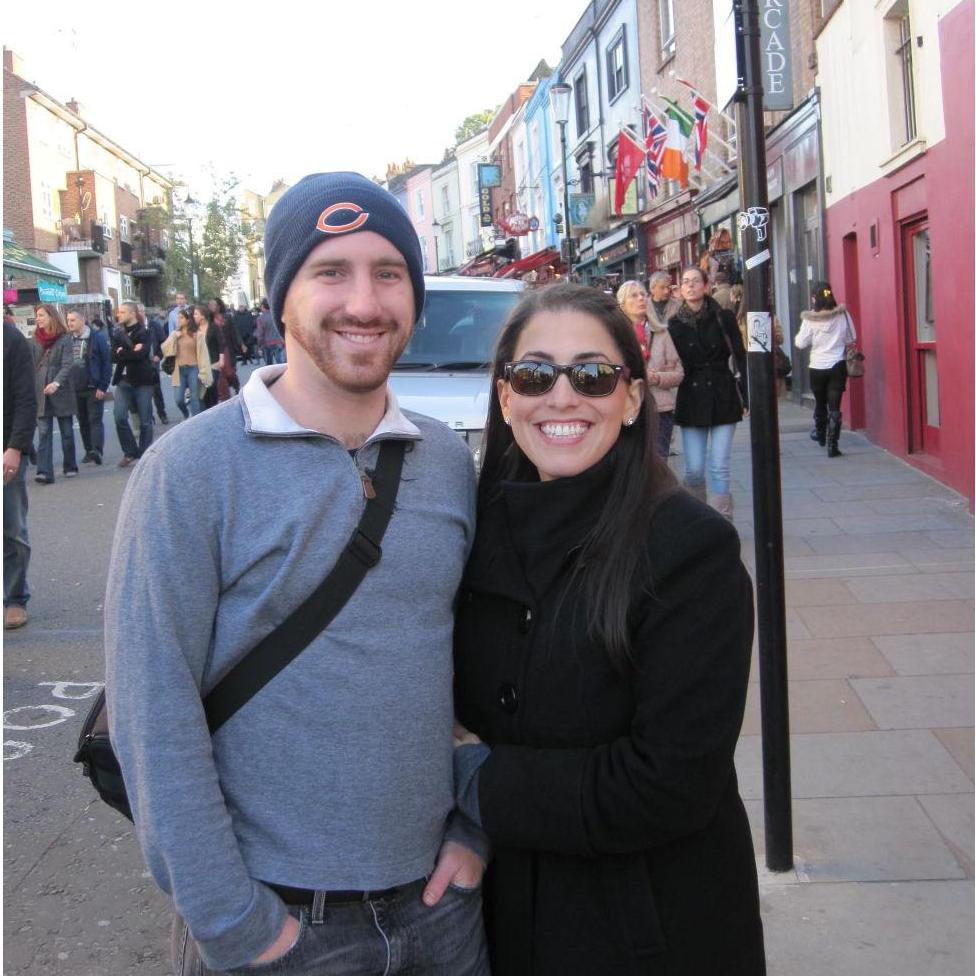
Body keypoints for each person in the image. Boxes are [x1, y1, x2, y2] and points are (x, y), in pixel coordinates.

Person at [105, 171, 489, 976]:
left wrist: (473, 830)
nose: (364, 302)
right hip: (278, 929)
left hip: (440, 916)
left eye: (389, 273)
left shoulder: (447, 462)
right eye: (331, 272)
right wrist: (235, 924)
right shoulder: (189, 470)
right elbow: (153, 710)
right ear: (282, 298)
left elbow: (480, 670)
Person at [451, 283, 765, 976]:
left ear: (630, 399)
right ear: (505, 397)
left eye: (592, 375)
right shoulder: (472, 535)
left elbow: (669, 783)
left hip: (646, 930)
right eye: (535, 375)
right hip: (501, 919)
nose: (562, 398)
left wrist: (476, 780)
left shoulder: (690, 551)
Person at [668, 266, 747, 519]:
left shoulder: (723, 317)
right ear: (680, 289)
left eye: (695, 281)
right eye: (685, 282)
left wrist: (746, 395)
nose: (690, 286)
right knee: (693, 469)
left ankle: (723, 519)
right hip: (691, 397)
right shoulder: (674, 324)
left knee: (719, 465)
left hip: (723, 393)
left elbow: (740, 356)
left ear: (706, 286)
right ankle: (698, 520)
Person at [617, 278, 683, 459]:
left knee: (659, 462)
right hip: (628, 409)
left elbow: (678, 374)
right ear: (622, 305)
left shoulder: (661, 333)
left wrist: (657, 377)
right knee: (631, 461)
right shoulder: (616, 336)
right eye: (634, 295)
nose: (641, 298)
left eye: (643, 294)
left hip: (659, 410)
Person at [4, 317, 37, 629]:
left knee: (11, 528)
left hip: (7, 447)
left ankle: (14, 598)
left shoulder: (12, 341)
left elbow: (27, 398)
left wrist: (15, 446)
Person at [795, 281, 854, 457]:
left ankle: (820, 433)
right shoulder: (842, 315)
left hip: (817, 367)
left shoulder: (810, 318)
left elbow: (800, 343)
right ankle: (832, 445)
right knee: (835, 406)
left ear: (814, 298)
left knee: (820, 403)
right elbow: (852, 337)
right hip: (837, 365)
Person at [30, 304, 77, 484]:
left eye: (41, 315)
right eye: (37, 315)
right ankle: (44, 471)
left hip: (61, 389)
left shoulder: (64, 338)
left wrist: (56, 382)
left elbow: (67, 364)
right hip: (40, 389)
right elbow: (31, 364)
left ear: (51, 316)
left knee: (66, 431)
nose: (38, 319)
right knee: (44, 432)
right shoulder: (35, 338)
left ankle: (70, 465)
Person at [110, 301, 155, 468]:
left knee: (145, 420)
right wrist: (127, 352)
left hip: (142, 381)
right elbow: (113, 356)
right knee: (119, 416)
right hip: (123, 381)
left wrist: (123, 352)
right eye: (118, 312)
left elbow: (141, 354)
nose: (119, 315)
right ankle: (130, 451)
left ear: (132, 313)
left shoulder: (144, 332)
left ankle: (144, 453)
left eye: (122, 312)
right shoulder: (117, 333)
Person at [66, 310, 112, 465]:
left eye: (73, 320)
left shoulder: (97, 338)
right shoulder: (68, 339)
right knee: (82, 421)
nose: (70, 323)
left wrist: (103, 386)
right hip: (75, 388)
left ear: (82, 320)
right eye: (68, 320)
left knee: (95, 420)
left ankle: (97, 450)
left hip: (93, 386)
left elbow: (106, 363)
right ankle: (88, 450)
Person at [160, 306, 212, 418]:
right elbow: (164, 348)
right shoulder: (175, 334)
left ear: (188, 320)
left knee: (194, 397)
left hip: (193, 368)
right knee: (179, 399)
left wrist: (204, 372)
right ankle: (186, 413)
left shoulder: (197, 335)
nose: (179, 320)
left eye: (181, 318)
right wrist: (174, 337)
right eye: (178, 318)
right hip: (179, 370)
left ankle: (195, 421)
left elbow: (203, 355)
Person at [210, 297, 242, 399]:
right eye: (210, 305)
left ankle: (236, 385)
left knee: (229, 372)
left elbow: (234, 332)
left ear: (219, 306)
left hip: (227, 348)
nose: (211, 307)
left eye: (214, 305)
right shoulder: (209, 319)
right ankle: (224, 395)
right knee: (220, 374)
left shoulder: (227, 317)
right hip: (216, 349)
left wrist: (241, 344)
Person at [145, 307, 171, 424]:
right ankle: (148, 417)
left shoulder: (154, 326)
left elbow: (163, 342)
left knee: (156, 390)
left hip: (152, 363)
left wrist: (159, 355)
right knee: (144, 392)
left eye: (141, 311)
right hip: (140, 364)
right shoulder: (134, 328)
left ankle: (162, 414)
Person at [194, 304, 222, 410]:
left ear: (203, 316)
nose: (194, 316)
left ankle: (214, 406)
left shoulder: (213, 327)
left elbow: (221, 343)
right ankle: (207, 409)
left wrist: (221, 359)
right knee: (203, 389)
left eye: (196, 314)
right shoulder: (194, 330)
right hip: (200, 364)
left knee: (212, 385)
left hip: (213, 362)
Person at [255, 297, 286, 365]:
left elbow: (260, 333)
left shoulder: (260, 318)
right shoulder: (277, 315)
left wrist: (259, 345)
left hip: (267, 343)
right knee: (280, 363)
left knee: (269, 364)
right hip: (279, 341)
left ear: (262, 306)